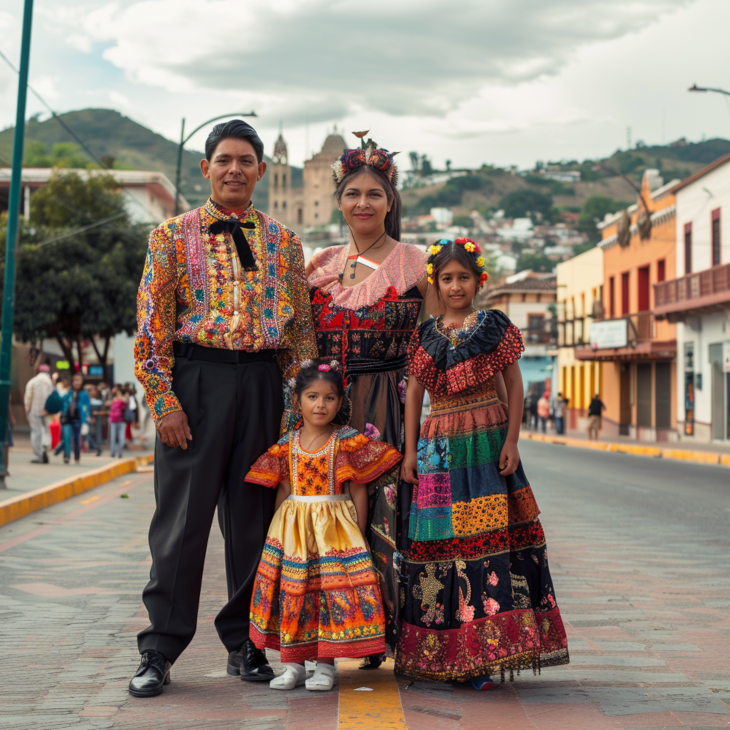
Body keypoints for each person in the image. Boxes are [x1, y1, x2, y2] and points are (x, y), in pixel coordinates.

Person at [130, 119, 317, 698]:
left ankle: (246, 644)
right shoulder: (169, 237)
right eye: (224, 160)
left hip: (261, 383)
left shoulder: (286, 243)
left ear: (262, 170)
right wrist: (164, 401)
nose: (234, 170)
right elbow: (151, 328)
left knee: (254, 524)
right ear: (207, 167)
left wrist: (297, 413)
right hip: (194, 383)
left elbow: (300, 338)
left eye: (245, 161)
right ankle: (159, 649)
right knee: (180, 524)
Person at [400, 238, 569, 688]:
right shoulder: (424, 335)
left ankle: (485, 654)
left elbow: (515, 385)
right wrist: (411, 452)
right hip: (438, 450)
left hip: (488, 442)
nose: (456, 286)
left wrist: (512, 440)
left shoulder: (494, 326)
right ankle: (451, 655)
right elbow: (414, 394)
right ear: (436, 284)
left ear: (479, 281)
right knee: (443, 544)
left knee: (488, 542)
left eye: (464, 277)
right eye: (447, 279)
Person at [305, 140, 428, 667]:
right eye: (352, 193)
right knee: (330, 521)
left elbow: (435, 342)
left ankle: (395, 636)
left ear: (390, 200)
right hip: (328, 413)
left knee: (390, 518)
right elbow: (302, 346)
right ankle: (337, 636)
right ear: (338, 200)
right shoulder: (320, 264)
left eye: (374, 194)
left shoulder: (416, 263)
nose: (363, 203)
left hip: (390, 409)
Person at [244, 360, 401, 691]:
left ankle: (326, 666)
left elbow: (358, 490)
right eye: (312, 397)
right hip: (294, 533)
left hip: (335, 534)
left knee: (329, 596)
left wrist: (357, 535)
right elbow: (284, 491)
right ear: (298, 400)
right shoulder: (287, 444)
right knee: (293, 594)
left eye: (329, 398)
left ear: (340, 402)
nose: (320, 405)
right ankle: (293, 665)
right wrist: (277, 537)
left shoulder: (345, 441)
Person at [24, 362, 54, 463]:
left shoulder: (32, 381)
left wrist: (27, 410)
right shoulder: (49, 382)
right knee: (46, 431)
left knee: (36, 432)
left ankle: (39, 453)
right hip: (46, 411)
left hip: (34, 411)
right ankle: (45, 446)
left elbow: (28, 398)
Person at [60, 373, 90, 464]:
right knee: (66, 438)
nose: (77, 382)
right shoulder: (69, 393)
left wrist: (85, 421)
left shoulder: (84, 394)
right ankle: (67, 456)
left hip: (78, 419)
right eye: (75, 380)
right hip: (67, 419)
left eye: (79, 380)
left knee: (77, 439)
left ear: (82, 382)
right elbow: (62, 402)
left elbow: (86, 408)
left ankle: (77, 456)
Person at [109, 385, 127, 458]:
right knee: (114, 437)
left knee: (120, 437)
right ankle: (113, 452)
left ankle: (118, 452)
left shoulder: (122, 398)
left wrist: (121, 397)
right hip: (114, 419)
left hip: (120, 419)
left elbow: (126, 402)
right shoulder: (113, 399)